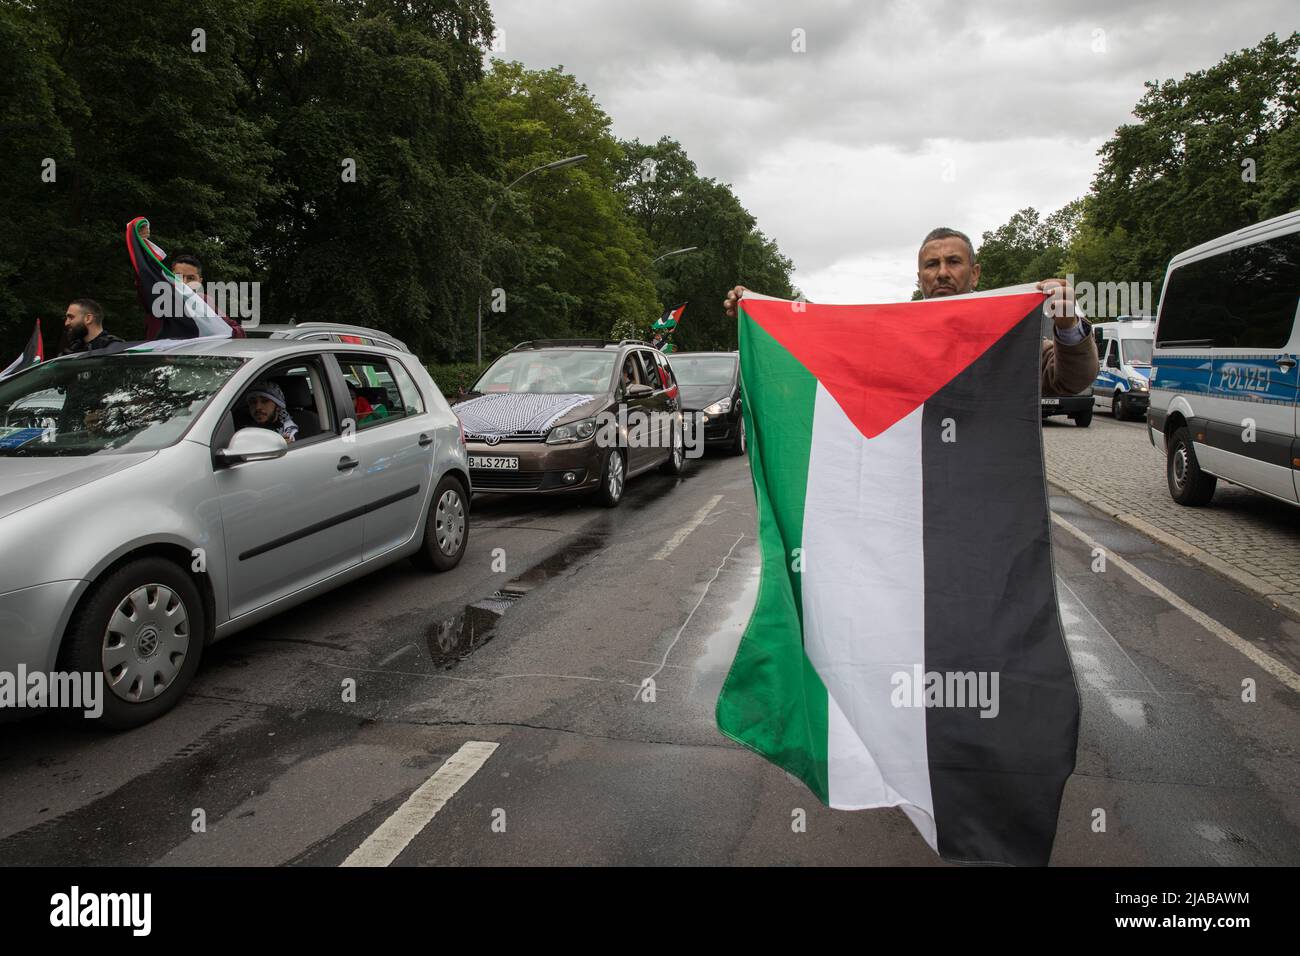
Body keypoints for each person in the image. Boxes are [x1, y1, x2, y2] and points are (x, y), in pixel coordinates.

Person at [722, 227, 1099, 396]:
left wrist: (1067, 326)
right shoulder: (895, 332)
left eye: (954, 262)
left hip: (990, 487)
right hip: (916, 487)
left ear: (975, 272)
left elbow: (1070, 381)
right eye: (931, 265)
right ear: (919, 277)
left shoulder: (1009, 332)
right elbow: (829, 355)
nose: (943, 273)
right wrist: (760, 319)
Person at [168, 251, 247, 338]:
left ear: (199, 282)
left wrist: (217, 328)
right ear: (170, 278)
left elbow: (239, 331)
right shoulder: (156, 299)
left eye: (191, 278)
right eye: (178, 277)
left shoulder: (205, 301)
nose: (184, 283)